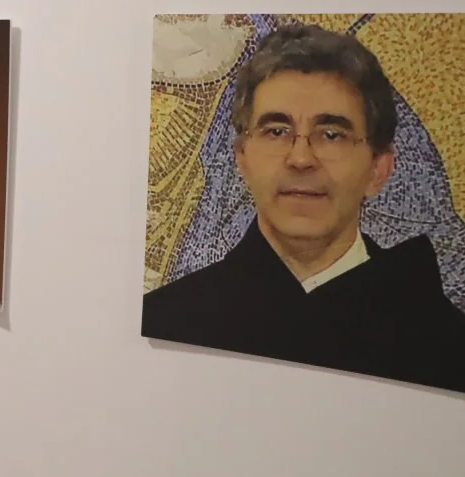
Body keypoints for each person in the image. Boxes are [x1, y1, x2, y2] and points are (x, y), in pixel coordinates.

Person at [142, 24, 465, 393]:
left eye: (331, 135)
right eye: (276, 131)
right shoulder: (168, 322)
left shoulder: (445, 345)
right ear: (242, 160)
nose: (300, 158)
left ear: (379, 170)